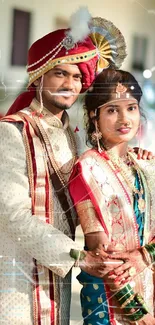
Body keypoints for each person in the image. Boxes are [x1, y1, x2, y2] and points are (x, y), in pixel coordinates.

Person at [0, 7, 131, 325]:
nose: (70, 83)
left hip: (57, 282)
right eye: (61, 73)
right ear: (39, 75)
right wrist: (79, 257)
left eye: (77, 76)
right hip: (14, 283)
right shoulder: (11, 131)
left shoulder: (76, 137)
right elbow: (13, 214)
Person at [69, 69, 155, 324]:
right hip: (112, 306)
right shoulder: (86, 170)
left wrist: (146, 255)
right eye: (112, 110)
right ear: (94, 116)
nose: (124, 118)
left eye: (131, 108)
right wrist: (139, 315)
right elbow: (102, 256)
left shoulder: (145, 166)